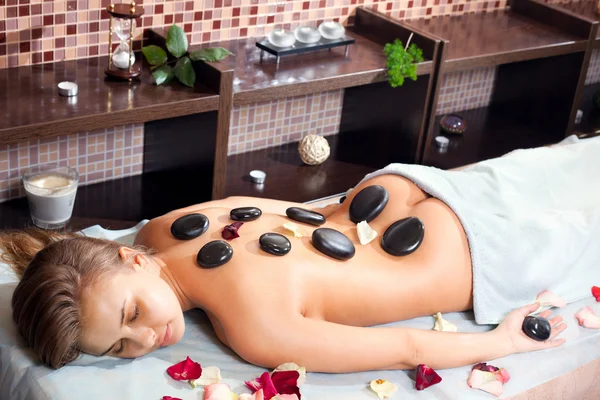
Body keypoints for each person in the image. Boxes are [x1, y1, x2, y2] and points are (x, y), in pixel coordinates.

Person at [10, 136, 600, 372]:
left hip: (483, 253)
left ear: (130, 260)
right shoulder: (162, 229)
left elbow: (408, 347)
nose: (142, 341)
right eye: (115, 348)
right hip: (404, 189)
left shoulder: (254, 327)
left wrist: (508, 343)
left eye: (130, 316)